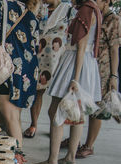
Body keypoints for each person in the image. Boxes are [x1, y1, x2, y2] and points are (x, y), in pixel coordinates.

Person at [29, 0, 102, 164]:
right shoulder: (94, 9)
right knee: (78, 114)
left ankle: (52, 160)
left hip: (76, 61)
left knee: (56, 111)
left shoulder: (85, 9)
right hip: (87, 63)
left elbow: (81, 45)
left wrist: (75, 79)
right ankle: (70, 157)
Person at [0, 0, 41, 152]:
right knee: (15, 117)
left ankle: (19, 160)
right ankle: (17, 158)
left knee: (11, 120)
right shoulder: (30, 13)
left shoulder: (1, 5)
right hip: (28, 71)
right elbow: (35, 45)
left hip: (6, 68)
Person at [76, 0, 121, 158]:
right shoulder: (92, 14)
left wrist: (114, 76)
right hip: (87, 65)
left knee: (96, 108)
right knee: (80, 104)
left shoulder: (113, 20)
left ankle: (89, 144)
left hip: (102, 69)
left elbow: (115, 50)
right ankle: (75, 139)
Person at [24, 0, 74, 138]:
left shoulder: (67, 10)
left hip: (58, 59)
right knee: (37, 91)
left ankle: (55, 127)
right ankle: (33, 124)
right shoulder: (39, 9)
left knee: (56, 96)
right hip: (39, 57)